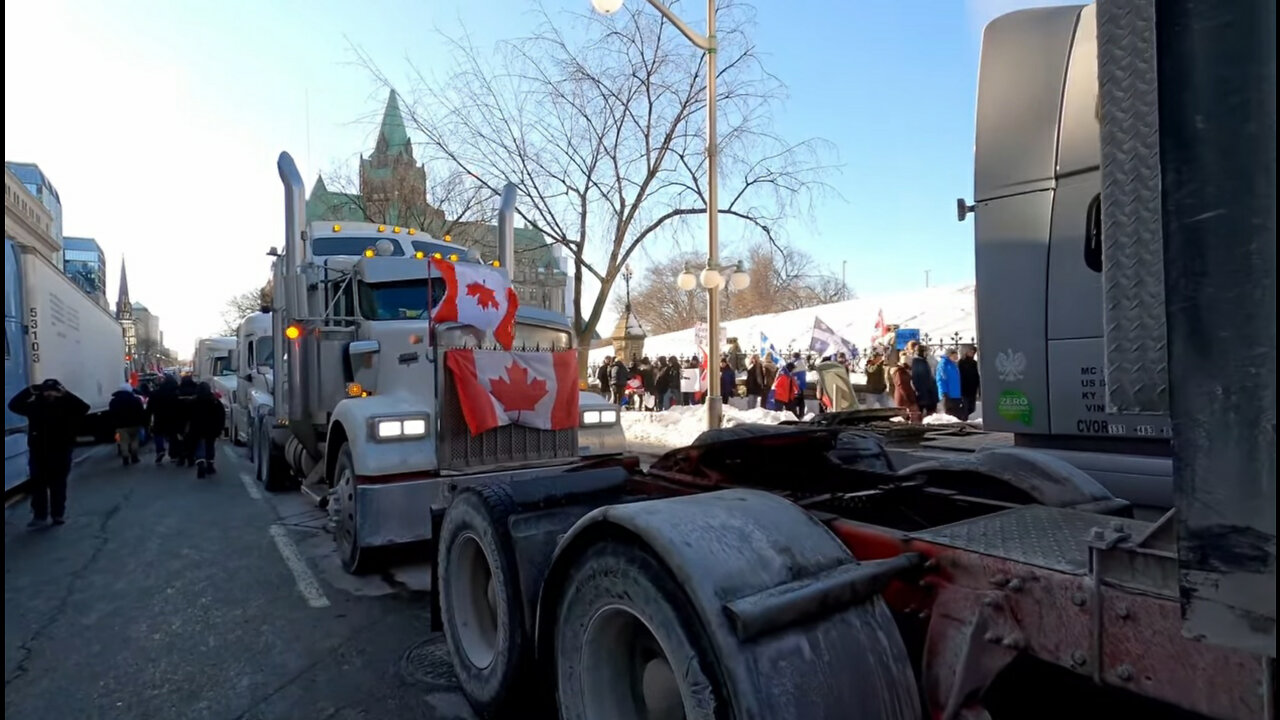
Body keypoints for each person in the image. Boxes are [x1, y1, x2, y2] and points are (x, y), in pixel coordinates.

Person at [8, 379, 90, 527]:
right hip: (39, 451)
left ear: (58, 391)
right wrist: (30, 390)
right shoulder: (36, 406)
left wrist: (66, 394)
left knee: (58, 485)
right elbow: (13, 405)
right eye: (46, 391)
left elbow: (84, 408)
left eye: (52, 391)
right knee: (38, 484)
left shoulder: (65, 405)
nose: (49, 394)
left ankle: (57, 514)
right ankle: (40, 515)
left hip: (61, 450)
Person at [189, 382, 227, 478]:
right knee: (210, 445)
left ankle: (200, 462)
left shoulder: (194, 401)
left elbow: (187, 416)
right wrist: (220, 428)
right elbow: (221, 416)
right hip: (212, 429)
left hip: (197, 428)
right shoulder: (215, 401)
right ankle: (210, 464)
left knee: (199, 445)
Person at [108, 382, 147, 466]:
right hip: (134, 424)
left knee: (123, 441)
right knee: (134, 440)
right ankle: (134, 456)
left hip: (121, 425)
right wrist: (143, 422)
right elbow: (140, 411)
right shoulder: (135, 400)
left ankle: (125, 456)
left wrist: (114, 424)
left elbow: (111, 413)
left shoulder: (114, 401)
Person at [148, 374, 181, 464]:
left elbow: (149, 408)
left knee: (158, 434)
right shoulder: (176, 393)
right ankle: (173, 455)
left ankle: (160, 450)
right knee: (173, 436)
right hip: (173, 418)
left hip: (159, 417)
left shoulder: (156, 393)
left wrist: (148, 418)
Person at [910, 343, 939, 418]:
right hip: (925, 395)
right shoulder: (919, 363)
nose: (927, 354)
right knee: (926, 415)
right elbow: (923, 380)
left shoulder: (922, 362)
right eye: (926, 352)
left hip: (927, 394)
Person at [936, 349, 964, 419]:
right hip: (948, 396)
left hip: (956, 395)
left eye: (956, 355)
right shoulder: (943, 364)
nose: (956, 357)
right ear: (949, 355)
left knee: (957, 417)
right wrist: (944, 393)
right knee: (950, 417)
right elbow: (941, 380)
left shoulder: (953, 365)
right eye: (954, 355)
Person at [892, 354, 920, 422]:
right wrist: (911, 400)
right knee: (908, 417)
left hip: (905, 399)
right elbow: (903, 388)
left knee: (909, 417)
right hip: (904, 400)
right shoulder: (900, 372)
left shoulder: (903, 372)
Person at [959, 346, 981, 420]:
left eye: (973, 351)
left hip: (973, 390)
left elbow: (977, 376)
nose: (972, 353)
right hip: (964, 390)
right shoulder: (961, 363)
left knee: (972, 409)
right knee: (965, 409)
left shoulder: (974, 363)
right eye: (970, 351)